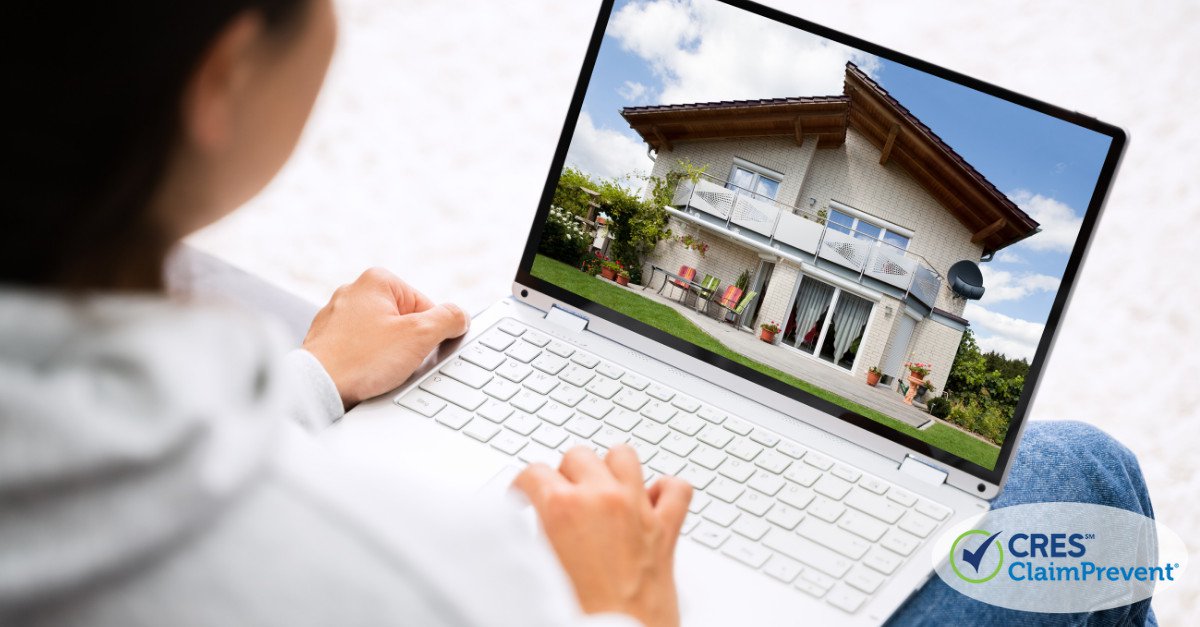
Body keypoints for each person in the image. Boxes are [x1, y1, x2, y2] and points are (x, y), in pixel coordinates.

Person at [0, 2, 1155, 626]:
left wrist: (313, 381)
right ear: (219, 75)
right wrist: (622, 606)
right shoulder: (410, 577)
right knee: (1083, 474)